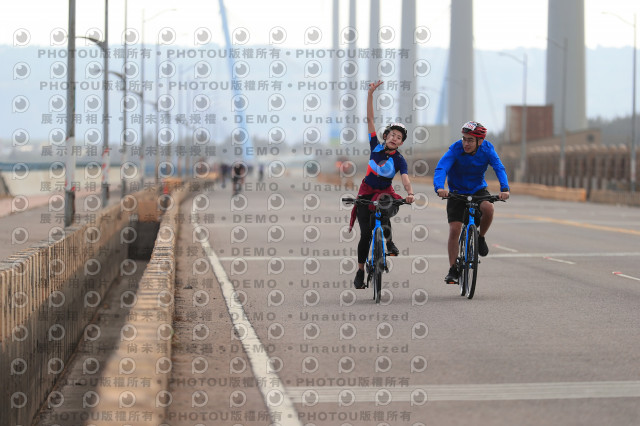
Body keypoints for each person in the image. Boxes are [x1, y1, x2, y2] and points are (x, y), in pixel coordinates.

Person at [348, 80, 415, 290]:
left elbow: (405, 178)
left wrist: (410, 193)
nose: (395, 138)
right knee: (366, 235)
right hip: (366, 193)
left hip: (385, 193)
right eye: (392, 134)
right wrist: (370, 94)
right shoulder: (375, 146)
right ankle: (360, 270)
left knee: (385, 204)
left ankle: (389, 242)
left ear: (401, 143)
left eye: (399, 137)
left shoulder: (400, 159)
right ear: (386, 136)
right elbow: (370, 118)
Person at [433, 121, 510, 284]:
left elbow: (499, 167)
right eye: (464, 139)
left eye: (470, 140)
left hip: (477, 190)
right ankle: (453, 269)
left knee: (489, 208)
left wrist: (504, 188)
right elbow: (442, 168)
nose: (466, 143)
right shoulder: (456, 149)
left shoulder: (487, 149)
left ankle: (480, 237)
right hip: (456, 192)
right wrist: (439, 187)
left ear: (480, 141)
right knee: (455, 229)